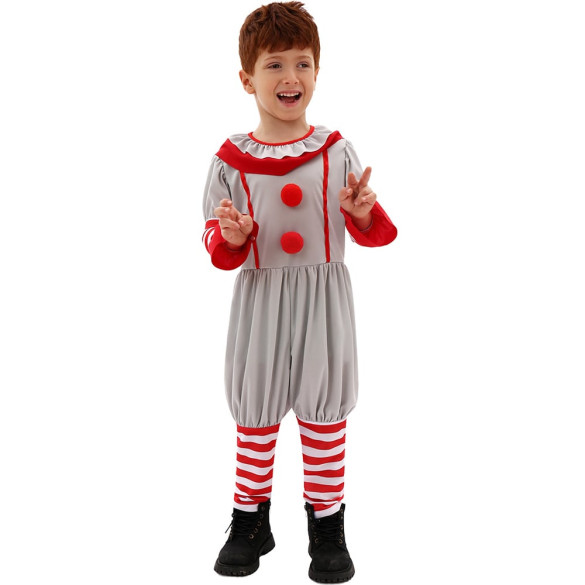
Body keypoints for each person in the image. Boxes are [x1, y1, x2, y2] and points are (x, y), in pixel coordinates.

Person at [202, 2, 397, 581]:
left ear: (317, 70)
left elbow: (377, 230)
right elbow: (213, 241)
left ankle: (327, 524)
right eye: (274, 64)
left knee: (325, 405)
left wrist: (361, 212)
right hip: (261, 298)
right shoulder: (230, 161)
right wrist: (232, 237)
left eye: (302, 63)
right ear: (247, 79)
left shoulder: (337, 150)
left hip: (323, 297)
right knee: (255, 405)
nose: (291, 78)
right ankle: (250, 519)